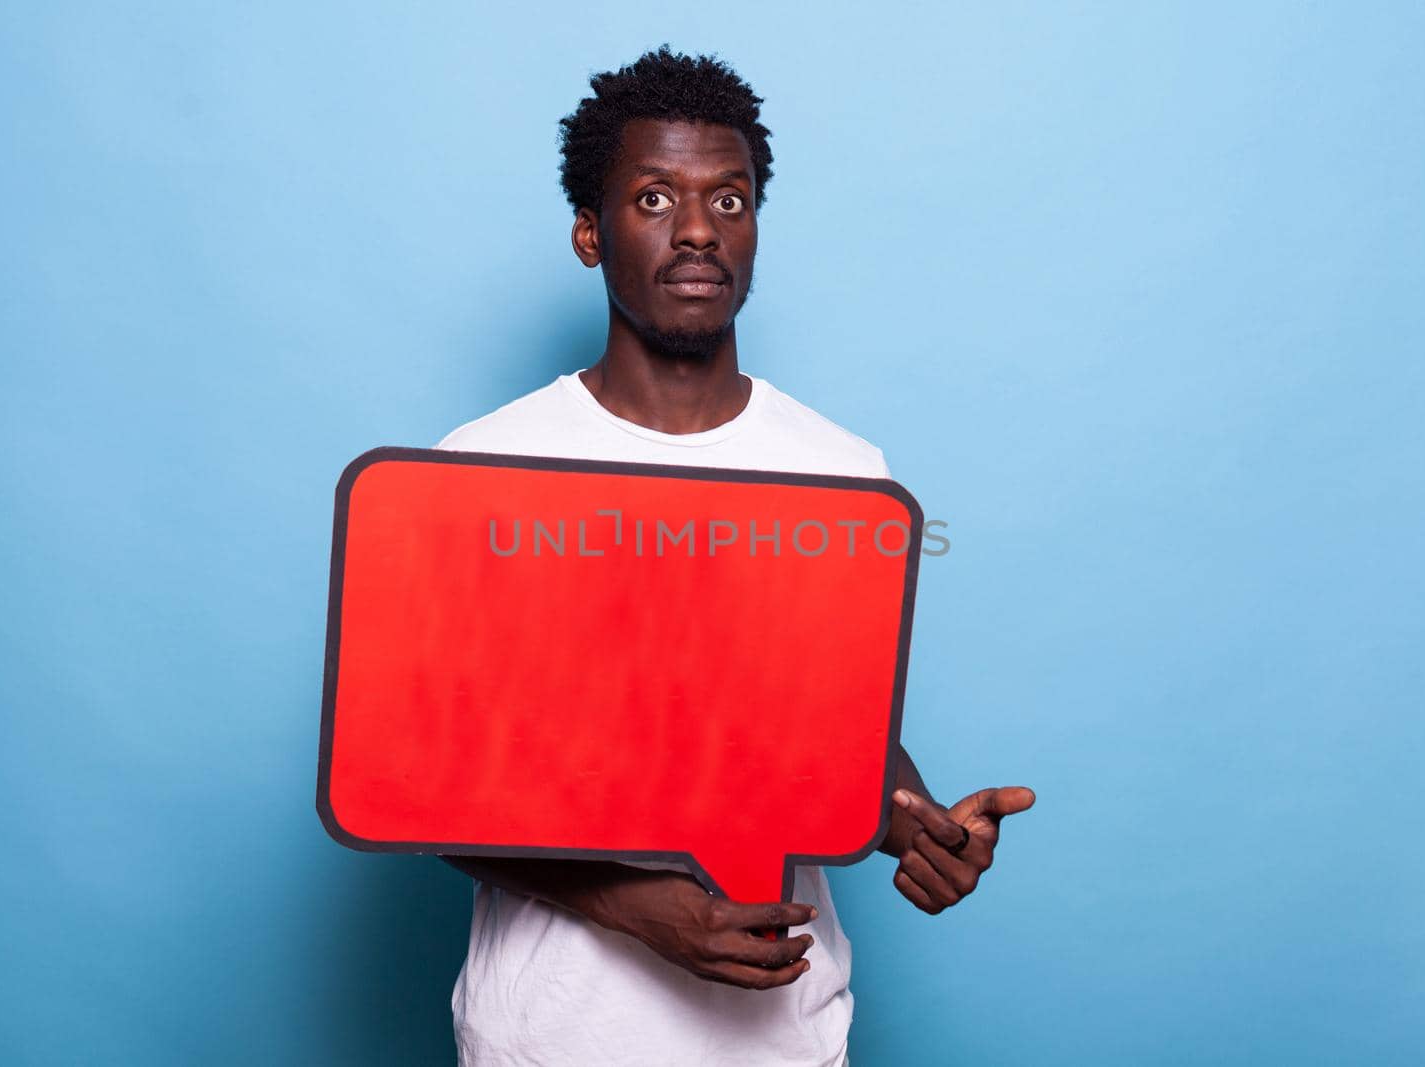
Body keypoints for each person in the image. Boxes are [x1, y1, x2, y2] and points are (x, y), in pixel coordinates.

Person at [434, 45, 1036, 1067]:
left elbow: (838, 731)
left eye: (730, 199)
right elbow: (426, 779)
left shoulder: (846, 474)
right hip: (547, 1038)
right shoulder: (483, 469)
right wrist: (634, 906)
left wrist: (922, 826)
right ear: (590, 231)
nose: (700, 228)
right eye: (656, 198)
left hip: (784, 1036)